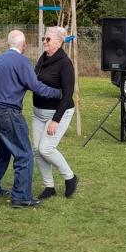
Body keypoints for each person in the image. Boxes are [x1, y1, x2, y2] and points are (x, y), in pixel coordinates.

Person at [0, 30, 62, 208]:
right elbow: (36, 86)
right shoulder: (22, 61)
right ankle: (21, 197)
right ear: (23, 45)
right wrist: (58, 93)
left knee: (2, 152)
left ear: (8, 44)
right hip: (9, 112)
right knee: (24, 155)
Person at [32, 27, 79, 200]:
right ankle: (49, 186)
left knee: (46, 149)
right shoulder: (43, 58)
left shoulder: (65, 63)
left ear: (59, 43)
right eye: (44, 38)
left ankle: (70, 177)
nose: (44, 42)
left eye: (48, 39)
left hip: (58, 112)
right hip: (38, 112)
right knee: (37, 150)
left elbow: (67, 94)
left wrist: (56, 120)